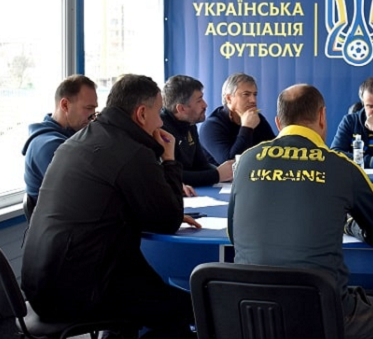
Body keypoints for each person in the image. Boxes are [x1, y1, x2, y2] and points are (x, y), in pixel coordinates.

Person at [229, 84, 373, 339]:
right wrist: (348, 224)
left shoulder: (245, 161)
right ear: (322, 116)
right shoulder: (342, 166)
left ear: (278, 122)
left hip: (250, 315)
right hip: (320, 315)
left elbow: (234, 235)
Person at [22, 74, 200, 339]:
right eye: (158, 113)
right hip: (76, 292)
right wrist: (170, 159)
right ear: (141, 113)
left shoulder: (80, 140)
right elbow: (168, 220)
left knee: (149, 293)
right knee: (187, 308)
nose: (161, 122)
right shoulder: (131, 151)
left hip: (40, 284)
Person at [21, 75, 98, 218]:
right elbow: (84, 195)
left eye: (94, 109)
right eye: (88, 108)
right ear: (65, 105)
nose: (92, 116)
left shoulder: (72, 137)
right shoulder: (49, 146)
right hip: (65, 227)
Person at [161, 75, 234, 187]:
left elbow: (201, 165)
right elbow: (170, 175)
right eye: (199, 101)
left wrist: (227, 173)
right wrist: (217, 175)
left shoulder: (189, 124)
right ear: (181, 108)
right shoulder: (161, 129)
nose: (205, 105)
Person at [199, 73, 275, 165]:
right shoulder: (211, 126)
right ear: (229, 98)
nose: (253, 100)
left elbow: (274, 149)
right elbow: (230, 163)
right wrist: (247, 128)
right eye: (246, 94)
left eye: (255, 94)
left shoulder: (257, 119)